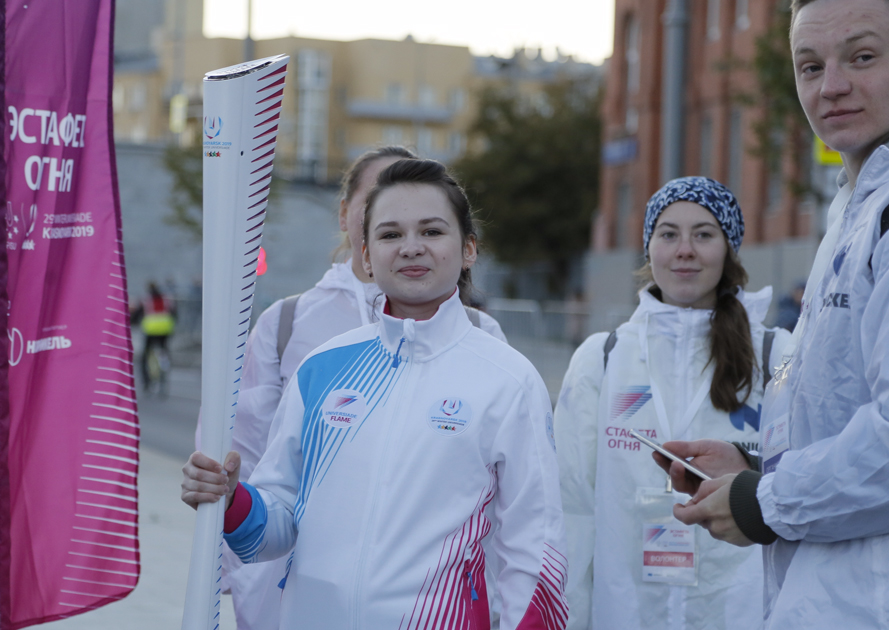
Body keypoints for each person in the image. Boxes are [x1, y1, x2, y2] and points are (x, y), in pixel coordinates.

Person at [182, 159, 568, 629]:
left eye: (431, 231)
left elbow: (535, 547)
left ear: (468, 249)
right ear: (365, 255)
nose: (410, 248)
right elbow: (276, 527)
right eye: (389, 235)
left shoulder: (508, 380)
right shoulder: (321, 369)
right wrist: (232, 501)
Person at [656, 1, 889, 628]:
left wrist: (765, 499)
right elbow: (854, 413)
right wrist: (760, 472)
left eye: (861, 57)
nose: (831, 86)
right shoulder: (860, 207)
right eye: (809, 66)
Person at [554, 176, 790, 629]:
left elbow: (803, 470)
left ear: (728, 249)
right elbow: (571, 507)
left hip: (739, 611)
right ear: (649, 249)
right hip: (624, 610)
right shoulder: (601, 360)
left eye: (703, 234)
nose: (685, 249)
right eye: (668, 234)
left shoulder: (777, 356)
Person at [132, 281, 175, 393]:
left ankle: (146, 382)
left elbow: (137, 315)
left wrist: (134, 322)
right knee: (164, 351)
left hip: (150, 330)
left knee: (145, 356)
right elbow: (174, 314)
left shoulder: (145, 299)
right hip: (165, 330)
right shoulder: (166, 299)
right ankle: (164, 373)